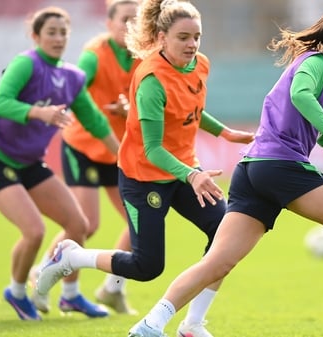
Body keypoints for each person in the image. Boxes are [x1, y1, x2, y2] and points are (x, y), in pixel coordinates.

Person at [42, 10, 323, 337]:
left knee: (218, 260)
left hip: (252, 171)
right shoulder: (315, 63)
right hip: (278, 166)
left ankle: (151, 325)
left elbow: (321, 129)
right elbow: (301, 97)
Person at [36, 0, 254, 336]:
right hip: (145, 177)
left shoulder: (200, 64)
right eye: (183, 37)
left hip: (183, 171)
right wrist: (193, 174)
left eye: (197, 36)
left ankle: (193, 324)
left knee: (225, 236)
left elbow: (190, 111)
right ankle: (70, 257)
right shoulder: (151, 77)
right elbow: (152, 149)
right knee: (146, 265)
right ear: (162, 37)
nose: (192, 44)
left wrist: (224, 132)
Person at [0, 6, 120, 321]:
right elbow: (0, 103)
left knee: (78, 225)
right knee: (35, 231)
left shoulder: (72, 76)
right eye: (51, 32)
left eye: (63, 32)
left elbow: (94, 120)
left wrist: (122, 157)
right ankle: (17, 290)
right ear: (36, 36)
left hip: (29, 162)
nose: (58, 38)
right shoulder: (26, 63)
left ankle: (70, 296)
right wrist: (41, 112)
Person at [29, 0, 140, 316]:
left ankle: (112, 289)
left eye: (137, 20)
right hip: (84, 148)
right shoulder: (94, 54)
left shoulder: (144, 56)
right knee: (86, 224)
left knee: (140, 223)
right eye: (125, 20)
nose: (131, 26)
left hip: (118, 150)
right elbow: (75, 88)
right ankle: (43, 272)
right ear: (109, 24)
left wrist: (129, 109)